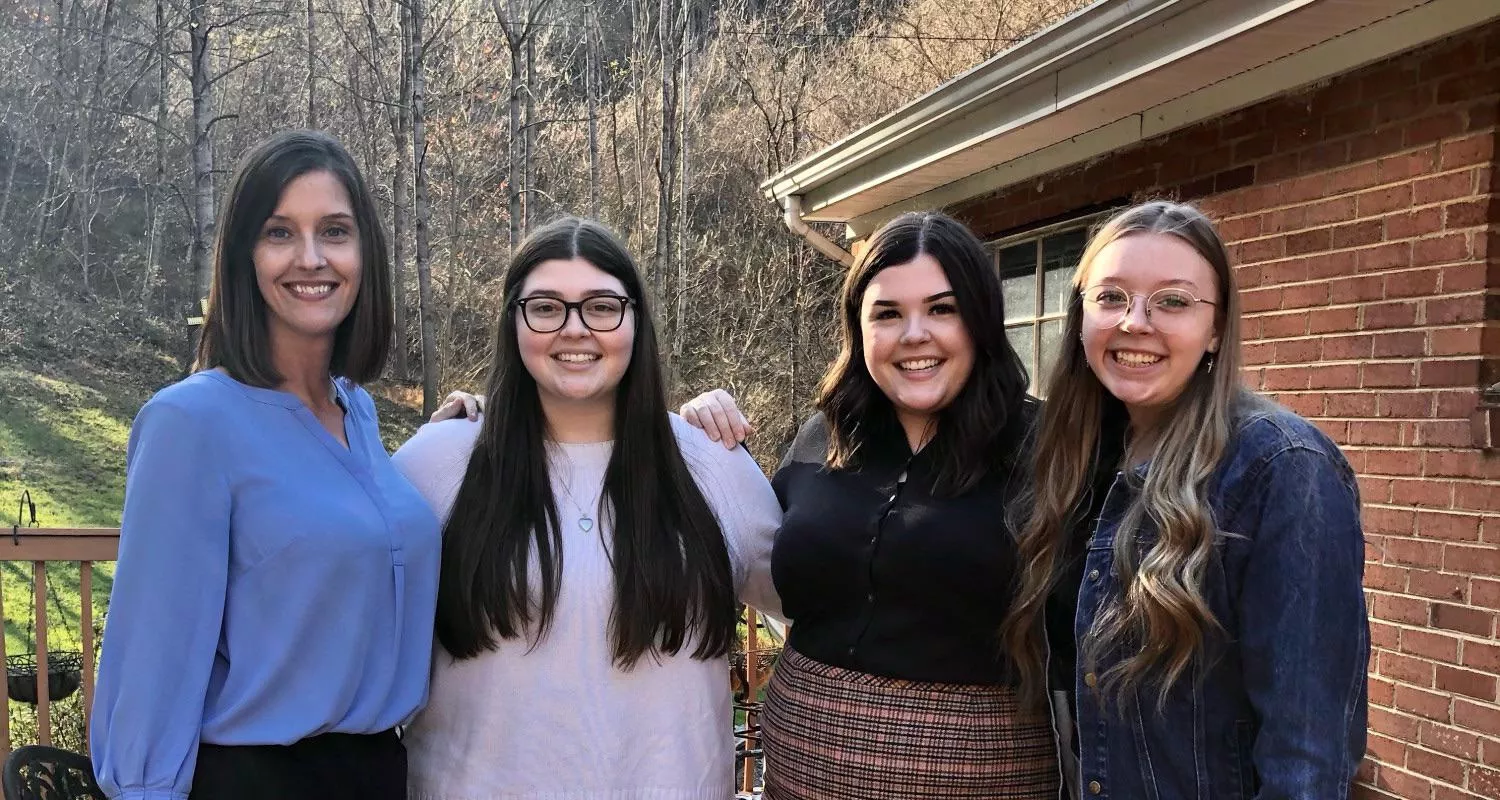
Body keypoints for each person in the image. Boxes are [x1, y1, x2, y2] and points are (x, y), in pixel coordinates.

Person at [91, 130, 441, 800]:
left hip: (377, 774)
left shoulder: (360, 417)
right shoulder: (191, 424)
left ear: (365, 252)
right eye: (280, 233)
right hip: (257, 780)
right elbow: (152, 660)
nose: (311, 258)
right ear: (245, 257)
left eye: (335, 231)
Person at [391, 216, 781, 800]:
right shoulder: (438, 463)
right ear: (513, 322)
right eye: (545, 307)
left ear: (636, 321)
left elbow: (826, 612)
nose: (575, 330)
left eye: (602, 306)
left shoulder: (711, 465)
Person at [999, 200, 1368, 799]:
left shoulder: (1281, 468)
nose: (1134, 322)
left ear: (1217, 327)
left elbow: (1306, 756)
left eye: (1173, 301)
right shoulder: (1074, 459)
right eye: (1111, 297)